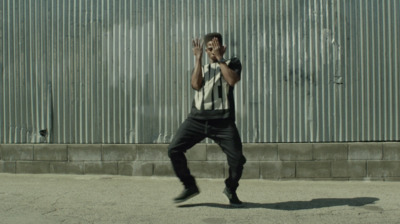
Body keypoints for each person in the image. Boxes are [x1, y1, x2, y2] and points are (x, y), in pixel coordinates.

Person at [168, 32, 246, 207]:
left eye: (216, 48)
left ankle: (231, 187)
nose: (212, 52)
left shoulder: (232, 63)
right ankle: (190, 186)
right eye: (209, 49)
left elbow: (232, 81)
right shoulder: (201, 68)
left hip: (223, 122)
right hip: (196, 120)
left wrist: (220, 58)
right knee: (173, 150)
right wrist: (197, 59)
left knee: (238, 160)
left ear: (223, 47)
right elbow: (195, 85)